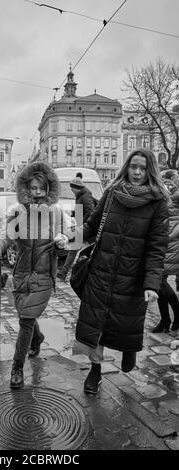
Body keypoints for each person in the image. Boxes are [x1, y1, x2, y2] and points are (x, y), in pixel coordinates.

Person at [75, 148, 169, 395]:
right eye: (133, 166)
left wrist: (151, 283)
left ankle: (130, 348)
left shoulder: (158, 202)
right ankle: (95, 371)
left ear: (150, 171)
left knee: (125, 323)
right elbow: (91, 225)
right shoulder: (112, 193)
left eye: (143, 168)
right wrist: (69, 237)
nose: (137, 172)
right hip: (101, 272)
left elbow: (157, 247)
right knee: (95, 326)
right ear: (126, 167)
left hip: (133, 278)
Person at [0, 162, 80, 389]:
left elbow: (66, 242)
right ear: (25, 189)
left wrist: (62, 243)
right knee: (26, 319)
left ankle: (17, 368)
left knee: (26, 320)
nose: (37, 192)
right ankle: (37, 339)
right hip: (20, 275)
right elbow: (5, 235)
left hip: (43, 277)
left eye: (41, 188)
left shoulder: (57, 213)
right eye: (33, 188)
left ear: (48, 189)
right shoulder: (17, 212)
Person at [152, 176, 179, 333]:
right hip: (165, 239)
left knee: (159, 281)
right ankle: (165, 320)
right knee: (158, 281)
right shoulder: (168, 193)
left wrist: (172, 235)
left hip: (172, 241)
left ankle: (176, 314)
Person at [57, 176, 95, 281]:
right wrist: (73, 213)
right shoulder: (80, 196)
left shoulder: (85, 196)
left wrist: (82, 224)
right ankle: (64, 273)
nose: (71, 190)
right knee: (75, 249)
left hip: (87, 228)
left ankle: (65, 273)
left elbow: (90, 211)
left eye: (72, 188)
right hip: (83, 228)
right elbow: (82, 210)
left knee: (75, 249)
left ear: (76, 187)